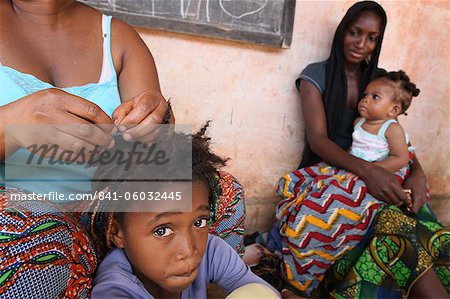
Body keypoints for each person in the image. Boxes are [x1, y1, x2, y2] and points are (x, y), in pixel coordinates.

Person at [0, 1, 245, 297]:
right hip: (25, 216)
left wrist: (156, 124)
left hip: (112, 214)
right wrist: (9, 126)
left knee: (222, 192)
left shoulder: (117, 38)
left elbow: (156, 160)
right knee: (31, 234)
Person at [246, 1, 449, 298]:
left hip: (378, 169)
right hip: (334, 171)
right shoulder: (315, 76)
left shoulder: (380, 81)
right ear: (342, 30)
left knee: (417, 221)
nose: (361, 43)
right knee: (385, 227)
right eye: (354, 32)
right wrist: (369, 173)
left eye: (371, 37)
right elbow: (319, 140)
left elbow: (395, 137)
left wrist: (418, 172)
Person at [90, 126, 279, 299]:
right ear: (117, 233)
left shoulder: (211, 251)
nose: (189, 250)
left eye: (199, 222)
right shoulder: (114, 290)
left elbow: (260, 290)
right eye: (162, 231)